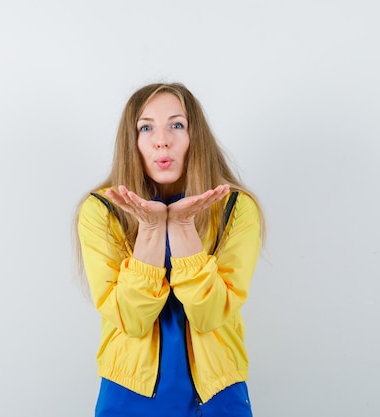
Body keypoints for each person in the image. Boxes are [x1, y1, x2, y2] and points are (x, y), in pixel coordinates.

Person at [74, 82, 264, 417]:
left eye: (176, 125)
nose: (162, 139)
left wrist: (181, 227)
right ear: (132, 143)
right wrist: (150, 229)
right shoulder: (101, 209)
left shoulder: (237, 207)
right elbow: (131, 319)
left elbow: (210, 314)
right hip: (128, 393)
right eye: (146, 127)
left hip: (217, 393)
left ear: (195, 137)